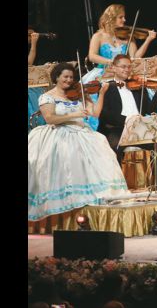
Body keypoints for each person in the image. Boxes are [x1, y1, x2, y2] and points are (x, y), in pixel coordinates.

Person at [28, 62, 127, 221]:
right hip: (58, 132)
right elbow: (50, 118)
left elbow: (94, 113)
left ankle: (94, 205)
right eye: (65, 77)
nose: (68, 80)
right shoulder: (47, 96)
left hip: (82, 132)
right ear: (57, 77)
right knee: (69, 156)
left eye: (71, 77)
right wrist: (74, 115)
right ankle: (68, 209)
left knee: (101, 148)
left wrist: (101, 94)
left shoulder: (80, 93)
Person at [80, 3, 157, 130]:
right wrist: (112, 62)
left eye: (124, 17)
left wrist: (148, 40)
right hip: (102, 72)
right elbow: (92, 56)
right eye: (121, 17)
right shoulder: (98, 36)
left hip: (123, 73)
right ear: (111, 18)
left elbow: (135, 57)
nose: (124, 20)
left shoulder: (127, 36)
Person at [97, 54, 157, 184]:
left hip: (138, 129)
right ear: (113, 68)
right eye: (123, 67)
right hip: (116, 129)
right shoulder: (106, 88)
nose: (126, 70)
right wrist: (128, 120)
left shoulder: (137, 87)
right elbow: (105, 115)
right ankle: (117, 184)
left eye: (129, 67)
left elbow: (148, 109)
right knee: (113, 148)